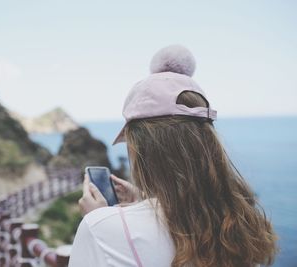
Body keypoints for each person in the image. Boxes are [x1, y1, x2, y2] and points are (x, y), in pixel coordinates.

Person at [68, 45, 277, 267]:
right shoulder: (239, 226)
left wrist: (101, 221)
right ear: (208, 143)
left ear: (140, 147)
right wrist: (144, 203)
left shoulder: (101, 229)